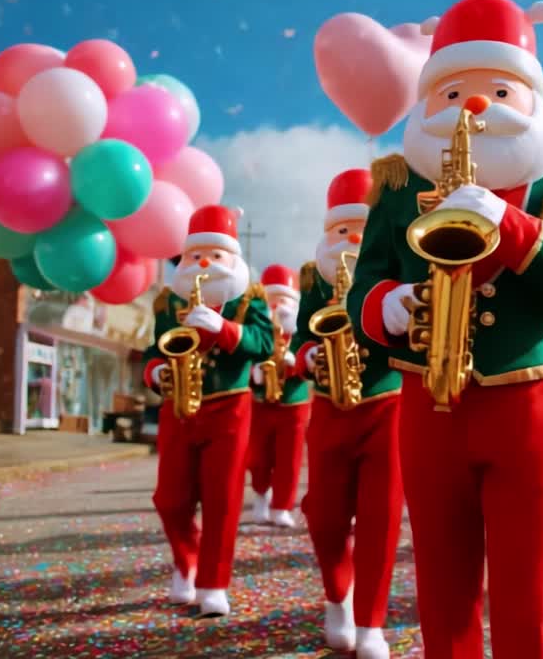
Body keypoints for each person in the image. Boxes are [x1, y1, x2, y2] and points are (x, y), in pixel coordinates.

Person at [347, 0, 543, 658]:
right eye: (452, 92)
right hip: (427, 402)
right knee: (443, 583)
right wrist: (386, 306)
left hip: (527, 403)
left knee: (529, 586)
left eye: (500, 89)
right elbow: (360, 292)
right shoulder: (397, 189)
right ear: (426, 102)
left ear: (532, 99)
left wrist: (512, 226)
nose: (474, 107)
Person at [292, 168, 404, 659]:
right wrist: (309, 356)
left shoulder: (395, 266)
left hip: (387, 403)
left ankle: (372, 624)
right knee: (325, 516)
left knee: (381, 521)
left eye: (359, 228)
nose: (351, 238)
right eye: (341, 229)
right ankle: (338, 596)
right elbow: (300, 337)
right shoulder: (316, 278)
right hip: (329, 407)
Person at [143, 204, 277, 617]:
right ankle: (188, 561)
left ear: (232, 259)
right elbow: (153, 350)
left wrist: (225, 330)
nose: (203, 263)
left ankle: (214, 582)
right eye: (195, 255)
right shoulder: (168, 303)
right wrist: (157, 371)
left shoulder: (247, 300)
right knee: (169, 499)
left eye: (215, 255)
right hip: (179, 407)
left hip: (228, 408)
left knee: (222, 500)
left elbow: (265, 343)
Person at [247, 264, 308, 527]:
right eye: (272, 300)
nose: (277, 306)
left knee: (289, 460)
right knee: (258, 457)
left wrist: (292, 362)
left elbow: (309, 358)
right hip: (261, 403)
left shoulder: (300, 330)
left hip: (293, 403)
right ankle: (261, 496)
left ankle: (282, 506)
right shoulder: (259, 328)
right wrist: (255, 372)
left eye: (282, 300)